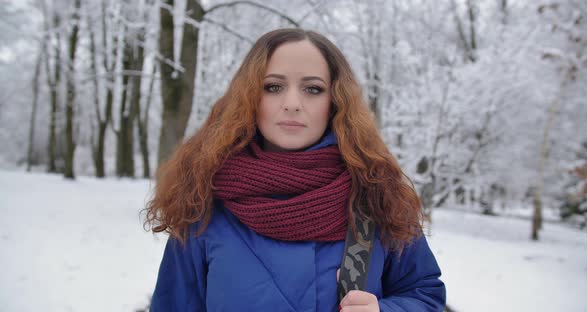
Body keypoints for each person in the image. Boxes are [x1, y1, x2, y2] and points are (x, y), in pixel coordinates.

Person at [145, 28, 446, 312]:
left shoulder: (378, 195)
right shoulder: (203, 202)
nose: (291, 103)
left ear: (335, 101)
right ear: (250, 96)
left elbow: (425, 295)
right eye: (273, 87)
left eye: (313, 89)